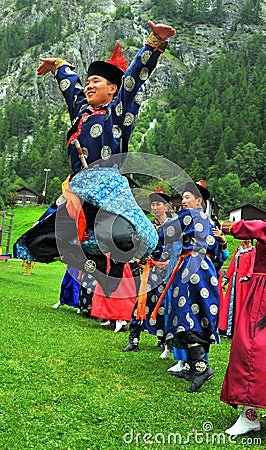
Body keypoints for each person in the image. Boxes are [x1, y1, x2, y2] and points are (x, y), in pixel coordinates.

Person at [13, 21, 176, 298]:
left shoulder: (118, 112)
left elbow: (134, 79)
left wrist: (154, 44)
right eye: (88, 82)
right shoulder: (81, 110)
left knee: (127, 236)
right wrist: (59, 67)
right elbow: (71, 88)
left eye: (96, 81)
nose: (89, 86)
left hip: (108, 184)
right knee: (45, 237)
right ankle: (86, 248)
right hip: (79, 187)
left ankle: (136, 251)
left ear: (113, 88)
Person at [158, 180, 225, 392]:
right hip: (201, 269)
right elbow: (216, 254)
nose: (184, 201)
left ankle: (201, 367)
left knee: (187, 316)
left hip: (192, 270)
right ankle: (190, 365)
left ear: (199, 201)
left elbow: (166, 232)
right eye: (183, 197)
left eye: (188, 197)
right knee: (193, 315)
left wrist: (146, 234)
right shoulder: (208, 222)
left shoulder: (192, 216)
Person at [220, 220, 266, 436]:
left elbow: (249, 227)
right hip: (259, 292)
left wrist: (222, 226)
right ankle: (250, 413)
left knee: (251, 348)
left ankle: (250, 415)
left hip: (263, 297)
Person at [121, 189, 172, 352]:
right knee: (140, 303)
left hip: (165, 271)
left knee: (163, 304)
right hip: (148, 270)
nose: (155, 207)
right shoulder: (148, 226)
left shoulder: (173, 227)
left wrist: (170, 262)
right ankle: (133, 340)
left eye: (158, 204)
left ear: (166, 207)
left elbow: (178, 248)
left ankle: (163, 339)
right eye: (153, 204)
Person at [218, 239, 255, 337]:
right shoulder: (238, 250)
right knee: (232, 304)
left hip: (244, 282)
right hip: (235, 281)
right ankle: (228, 329)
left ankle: (240, 330)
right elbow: (232, 266)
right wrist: (226, 279)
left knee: (241, 304)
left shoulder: (252, 251)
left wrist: (248, 276)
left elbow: (252, 265)